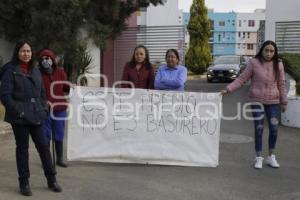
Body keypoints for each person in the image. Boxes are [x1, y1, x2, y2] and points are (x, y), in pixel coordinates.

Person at [0, 40, 62, 196]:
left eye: (28, 51)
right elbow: (5, 95)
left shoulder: (35, 69)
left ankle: (52, 179)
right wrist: (18, 111)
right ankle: (24, 183)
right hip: (20, 117)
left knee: (43, 147)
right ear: (17, 52)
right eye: (23, 51)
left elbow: (41, 92)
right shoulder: (10, 69)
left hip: (37, 114)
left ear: (31, 53)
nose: (26, 54)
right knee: (22, 150)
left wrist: (43, 108)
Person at [221, 40, 288, 169]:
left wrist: (284, 101)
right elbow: (242, 79)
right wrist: (229, 89)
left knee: (274, 128)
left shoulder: (278, 64)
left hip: (273, 101)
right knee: (259, 128)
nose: (269, 53)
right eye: (266, 50)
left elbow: (281, 84)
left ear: (275, 52)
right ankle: (259, 157)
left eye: (271, 51)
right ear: (261, 50)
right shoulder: (254, 63)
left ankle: (271, 157)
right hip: (256, 100)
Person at [39, 48, 69, 168]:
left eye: (47, 58)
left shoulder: (60, 72)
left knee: (59, 133)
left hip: (60, 108)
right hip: (45, 108)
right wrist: (43, 102)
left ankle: (59, 159)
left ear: (52, 59)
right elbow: (36, 91)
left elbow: (66, 88)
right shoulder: (37, 73)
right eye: (42, 59)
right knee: (45, 134)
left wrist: (74, 88)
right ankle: (46, 160)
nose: (45, 61)